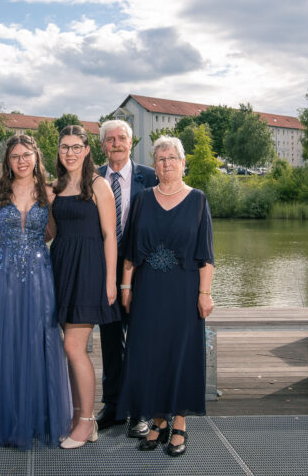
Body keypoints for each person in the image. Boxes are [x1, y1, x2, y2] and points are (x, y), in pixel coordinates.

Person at [0, 134, 73, 448]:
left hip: (41, 274)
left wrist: (33, 245)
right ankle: (8, 419)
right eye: (15, 156)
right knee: (7, 340)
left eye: (26, 155)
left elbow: (54, 231)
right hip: (5, 274)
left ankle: (40, 419)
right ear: (7, 161)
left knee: (40, 340)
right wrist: (0, 245)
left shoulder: (50, 192)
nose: (21, 161)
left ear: (36, 157)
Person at [117, 135, 214, 457]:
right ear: (154, 166)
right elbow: (130, 250)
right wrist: (126, 287)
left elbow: (206, 255)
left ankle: (180, 423)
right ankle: (158, 420)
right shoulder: (143, 199)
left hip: (184, 291)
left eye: (172, 158)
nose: (167, 163)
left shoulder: (198, 200)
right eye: (161, 159)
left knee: (180, 353)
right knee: (150, 354)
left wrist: (204, 294)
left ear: (183, 163)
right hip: (147, 290)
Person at [49, 124, 120, 449]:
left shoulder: (98, 185)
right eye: (65, 147)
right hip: (60, 267)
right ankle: (78, 416)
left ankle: (88, 421)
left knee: (73, 348)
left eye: (76, 147)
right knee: (69, 348)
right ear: (59, 150)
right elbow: (50, 231)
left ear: (87, 150)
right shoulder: (56, 186)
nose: (70, 152)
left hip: (89, 269)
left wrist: (110, 281)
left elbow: (109, 236)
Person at [95, 119, 157, 437]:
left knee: (141, 339)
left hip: (143, 270)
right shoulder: (92, 178)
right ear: (102, 145)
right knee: (109, 339)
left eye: (122, 138)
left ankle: (142, 408)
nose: (116, 143)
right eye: (110, 139)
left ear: (131, 143)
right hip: (104, 268)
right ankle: (113, 405)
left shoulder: (151, 176)